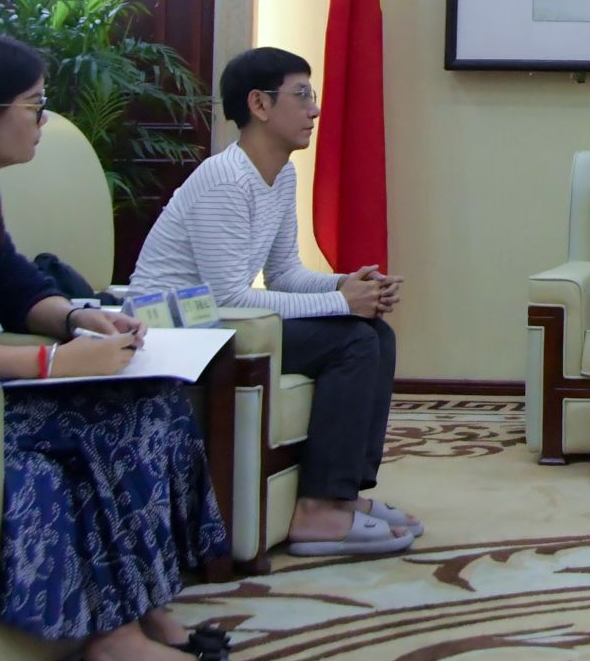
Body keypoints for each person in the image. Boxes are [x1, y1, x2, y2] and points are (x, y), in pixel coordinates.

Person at [0, 33, 231, 661]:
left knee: (155, 397)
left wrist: (79, 319)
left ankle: (148, 602)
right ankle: (115, 642)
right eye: (34, 106)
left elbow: (15, 283)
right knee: (116, 421)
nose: (42, 121)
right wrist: (56, 361)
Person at [130, 47, 419, 557]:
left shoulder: (281, 174)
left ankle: (341, 494)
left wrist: (347, 285)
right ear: (259, 104)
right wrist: (342, 305)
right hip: (176, 330)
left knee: (377, 333)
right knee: (352, 341)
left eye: (313, 95)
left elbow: (283, 273)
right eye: (301, 95)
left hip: (224, 322)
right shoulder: (225, 179)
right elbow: (227, 298)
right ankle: (317, 510)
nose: (314, 109)